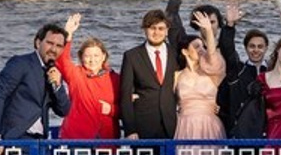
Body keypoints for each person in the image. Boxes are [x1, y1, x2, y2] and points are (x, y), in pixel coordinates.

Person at [55, 13, 120, 140]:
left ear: (104, 56)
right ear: (81, 57)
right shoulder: (75, 74)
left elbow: (128, 109)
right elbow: (61, 59)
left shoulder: (115, 79)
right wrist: (67, 34)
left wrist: (111, 110)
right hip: (77, 137)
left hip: (107, 139)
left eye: (96, 55)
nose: (92, 60)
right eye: (87, 56)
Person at [0, 23, 71, 139]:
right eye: (50, 43)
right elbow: (1, 93)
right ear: (38, 43)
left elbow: (63, 111)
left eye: (59, 46)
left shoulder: (54, 72)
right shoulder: (21, 63)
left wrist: (58, 86)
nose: (53, 49)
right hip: (15, 137)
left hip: (40, 140)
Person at [119, 8, 182, 139]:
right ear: (145, 29)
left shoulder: (176, 54)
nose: (156, 32)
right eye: (152, 28)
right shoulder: (132, 56)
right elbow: (125, 95)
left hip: (171, 125)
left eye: (161, 28)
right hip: (142, 125)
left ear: (167, 31)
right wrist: (130, 130)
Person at [173, 10, 227, 140]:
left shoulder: (212, 73)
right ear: (185, 51)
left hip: (209, 125)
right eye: (197, 47)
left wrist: (209, 31)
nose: (202, 50)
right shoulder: (177, 75)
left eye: (203, 46)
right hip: (184, 125)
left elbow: (212, 55)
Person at [223, 26, 269, 138]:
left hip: (268, 130)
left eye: (260, 46)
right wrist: (229, 26)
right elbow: (227, 50)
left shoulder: (272, 71)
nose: (256, 50)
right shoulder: (238, 71)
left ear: (266, 48)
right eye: (252, 46)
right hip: (242, 130)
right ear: (245, 48)